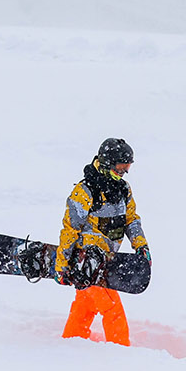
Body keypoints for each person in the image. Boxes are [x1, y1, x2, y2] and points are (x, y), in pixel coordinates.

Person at [56, 137, 149, 346]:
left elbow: (131, 220)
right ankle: (120, 352)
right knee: (112, 308)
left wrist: (140, 245)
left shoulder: (124, 189)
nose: (124, 172)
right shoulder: (85, 191)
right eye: (120, 167)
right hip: (87, 263)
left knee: (85, 306)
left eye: (127, 167)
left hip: (107, 260)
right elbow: (70, 229)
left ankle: (71, 343)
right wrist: (61, 264)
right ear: (107, 163)